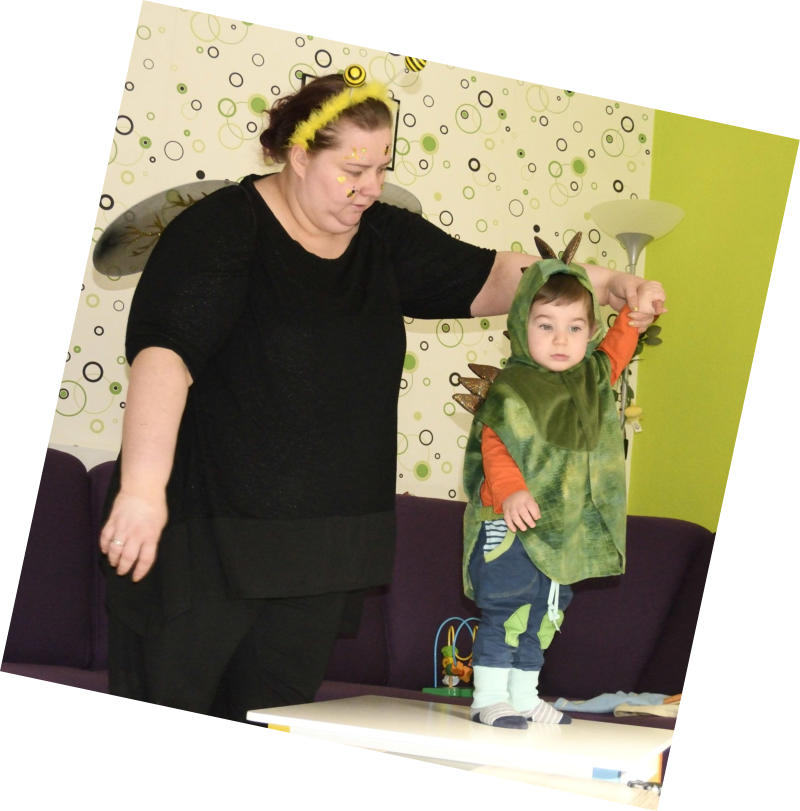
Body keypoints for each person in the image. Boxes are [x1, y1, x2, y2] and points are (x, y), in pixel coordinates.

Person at [98, 73, 665, 722]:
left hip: (318, 555)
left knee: (265, 734)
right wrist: (141, 491)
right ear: (299, 155)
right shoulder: (220, 230)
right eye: (353, 170)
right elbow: (164, 357)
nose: (371, 186)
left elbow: (498, 275)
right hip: (201, 546)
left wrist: (610, 284)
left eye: (381, 168)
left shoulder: (384, 239)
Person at [460, 237, 650, 728]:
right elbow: (496, 444)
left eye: (574, 328)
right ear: (521, 326)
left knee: (545, 614)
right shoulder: (513, 387)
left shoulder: (591, 379)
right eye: (546, 326)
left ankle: (524, 697)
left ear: (589, 332)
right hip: (511, 526)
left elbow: (617, 351)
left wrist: (635, 314)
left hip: (560, 531)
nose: (561, 340)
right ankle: (488, 698)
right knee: (506, 610)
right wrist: (511, 491)